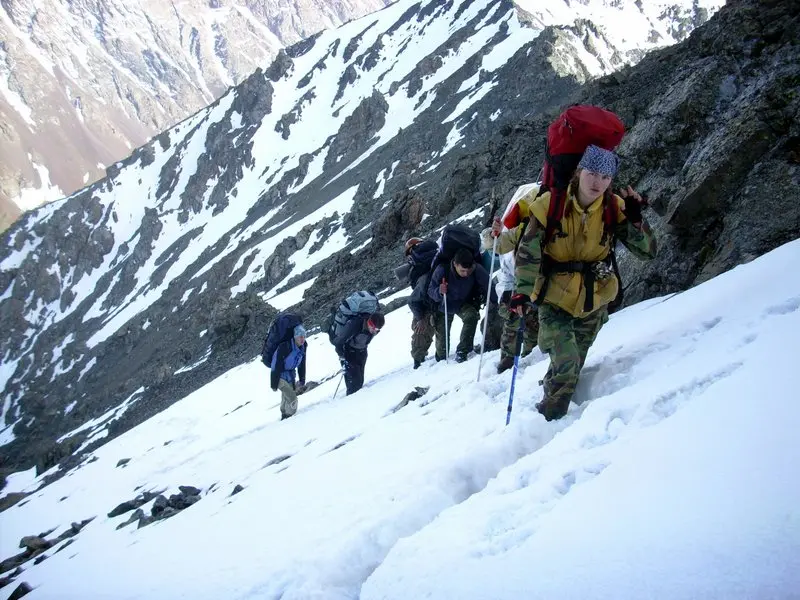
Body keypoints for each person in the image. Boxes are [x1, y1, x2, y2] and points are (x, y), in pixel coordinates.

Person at [511, 145, 657, 421]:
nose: (597, 182)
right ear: (579, 172)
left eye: (605, 177)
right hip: (554, 298)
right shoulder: (549, 205)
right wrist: (521, 293)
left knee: (572, 363)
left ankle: (550, 408)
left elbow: (647, 251)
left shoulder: (615, 207)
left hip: (594, 299)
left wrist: (637, 219)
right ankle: (549, 420)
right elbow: (528, 253)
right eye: (592, 173)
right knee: (566, 362)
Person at [482, 198, 540, 374]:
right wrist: (509, 293)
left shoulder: (531, 233)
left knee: (528, 321)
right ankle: (510, 358)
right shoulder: (518, 234)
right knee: (515, 319)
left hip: (531, 286)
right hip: (512, 288)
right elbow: (505, 263)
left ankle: (528, 355)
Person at [427, 247, 489, 363]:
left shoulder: (476, 269)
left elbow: (488, 286)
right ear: (455, 264)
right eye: (462, 271)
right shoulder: (442, 270)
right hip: (443, 305)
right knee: (442, 352)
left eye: (468, 271)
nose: (466, 274)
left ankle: (463, 350)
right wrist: (439, 291)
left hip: (463, 303)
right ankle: (440, 356)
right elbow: (430, 290)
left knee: (471, 316)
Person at [403, 238, 438, 369]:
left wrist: (420, 319)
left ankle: (418, 361)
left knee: (420, 330)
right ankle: (441, 354)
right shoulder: (435, 255)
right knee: (440, 329)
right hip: (440, 299)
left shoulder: (419, 268)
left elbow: (413, 300)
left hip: (424, 304)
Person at [331, 311, 385, 395]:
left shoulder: (372, 327)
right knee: (354, 383)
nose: (374, 332)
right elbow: (338, 342)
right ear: (369, 323)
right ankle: (350, 401)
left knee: (360, 381)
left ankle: (355, 399)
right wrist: (342, 356)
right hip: (348, 354)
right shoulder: (354, 325)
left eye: (377, 330)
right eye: (373, 328)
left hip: (362, 352)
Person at [270, 324, 307, 420]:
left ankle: (284, 415)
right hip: (278, 377)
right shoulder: (285, 347)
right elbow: (276, 364)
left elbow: (302, 363)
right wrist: (274, 383)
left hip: (290, 375)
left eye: (304, 336)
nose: (302, 339)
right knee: (292, 397)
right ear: (295, 337)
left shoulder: (303, 346)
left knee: (286, 397)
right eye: (300, 337)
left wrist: (302, 379)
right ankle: (289, 418)